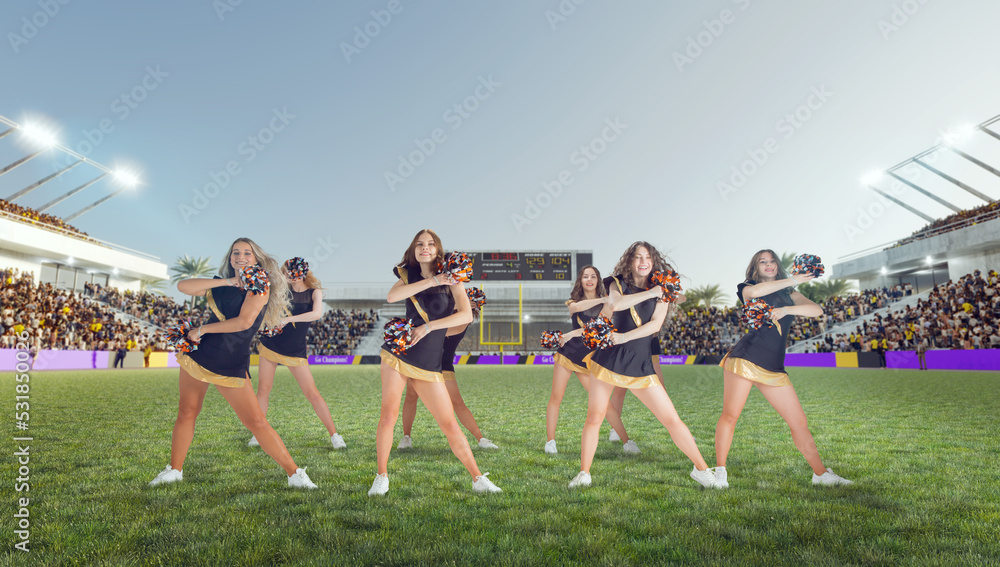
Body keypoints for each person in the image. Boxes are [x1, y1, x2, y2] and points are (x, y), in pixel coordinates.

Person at [149, 237, 317, 489]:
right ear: (230, 258)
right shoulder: (220, 283)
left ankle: (295, 474)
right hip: (199, 355)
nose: (240, 256)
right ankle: (174, 469)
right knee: (186, 413)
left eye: (247, 253)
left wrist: (202, 329)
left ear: (256, 259)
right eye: (235, 252)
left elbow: (243, 322)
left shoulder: (260, 286)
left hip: (229, 359)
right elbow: (183, 286)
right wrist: (228, 281)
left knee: (257, 422)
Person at [570, 241, 715, 489]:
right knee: (594, 417)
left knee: (672, 420)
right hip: (608, 360)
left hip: (639, 364)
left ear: (653, 261)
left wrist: (626, 335)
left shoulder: (664, 289)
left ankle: (702, 470)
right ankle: (584, 473)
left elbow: (656, 324)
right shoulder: (615, 282)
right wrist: (652, 292)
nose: (643, 261)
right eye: (637, 257)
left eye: (647, 257)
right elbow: (615, 304)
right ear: (630, 261)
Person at [370, 230, 501, 496]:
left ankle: (478, 478)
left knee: (449, 423)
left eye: (430, 244)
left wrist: (429, 327)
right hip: (399, 353)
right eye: (420, 244)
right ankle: (381, 476)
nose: (425, 248)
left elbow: (465, 315)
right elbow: (392, 297)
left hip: (429, 361)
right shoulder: (408, 274)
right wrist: (432, 281)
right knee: (388, 416)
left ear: (438, 249)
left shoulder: (453, 277)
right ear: (414, 250)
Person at [714, 249, 852, 489]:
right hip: (746, 358)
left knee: (798, 421)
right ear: (755, 268)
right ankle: (719, 472)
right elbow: (755, 293)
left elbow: (816, 310)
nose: (768, 265)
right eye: (762, 262)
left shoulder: (789, 293)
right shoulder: (747, 286)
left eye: (772, 261)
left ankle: (820, 474)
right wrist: (796, 278)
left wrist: (787, 309)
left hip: (774, 366)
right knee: (731, 415)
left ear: (777, 266)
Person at [250, 258, 346, 450]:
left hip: (295, 350)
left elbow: (316, 314)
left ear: (302, 274)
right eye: (285, 273)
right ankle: (257, 434)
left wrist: (288, 319)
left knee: (313, 393)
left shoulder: (314, 292)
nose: (288, 277)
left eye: (291, 274)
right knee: (263, 390)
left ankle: (334, 435)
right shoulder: (280, 291)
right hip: (271, 345)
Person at [546, 265, 631, 455]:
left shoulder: (608, 306)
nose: (589, 279)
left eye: (593, 276)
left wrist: (570, 333)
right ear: (581, 281)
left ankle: (627, 441)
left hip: (588, 358)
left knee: (604, 404)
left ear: (598, 280)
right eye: (585, 276)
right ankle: (550, 441)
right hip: (568, 354)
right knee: (556, 397)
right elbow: (576, 308)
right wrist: (603, 298)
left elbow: (593, 328)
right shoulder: (574, 302)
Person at [397, 289, 498, 451]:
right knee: (410, 397)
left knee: (457, 402)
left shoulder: (464, 319)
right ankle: (406, 437)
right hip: (421, 362)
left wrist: (458, 305)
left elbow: (436, 332)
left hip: (442, 366)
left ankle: (481, 438)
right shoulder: (443, 313)